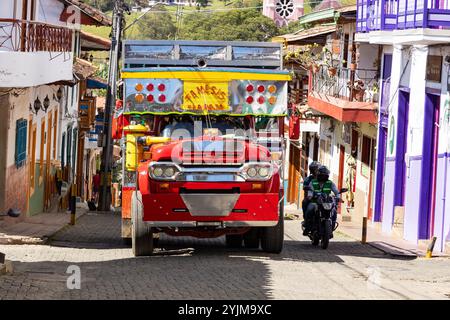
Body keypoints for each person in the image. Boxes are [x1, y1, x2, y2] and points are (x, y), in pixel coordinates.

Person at [302, 165, 340, 236]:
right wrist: (310, 196)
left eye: (325, 175)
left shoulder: (330, 183)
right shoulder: (313, 182)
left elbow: (336, 191)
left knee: (334, 211)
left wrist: (338, 197)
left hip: (327, 202)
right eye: (322, 175)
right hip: (315, 202)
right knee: (310, 209)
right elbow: (310, 191)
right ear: (318, 175)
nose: (324, 177)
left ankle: (331, 229)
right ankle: (307, 226)